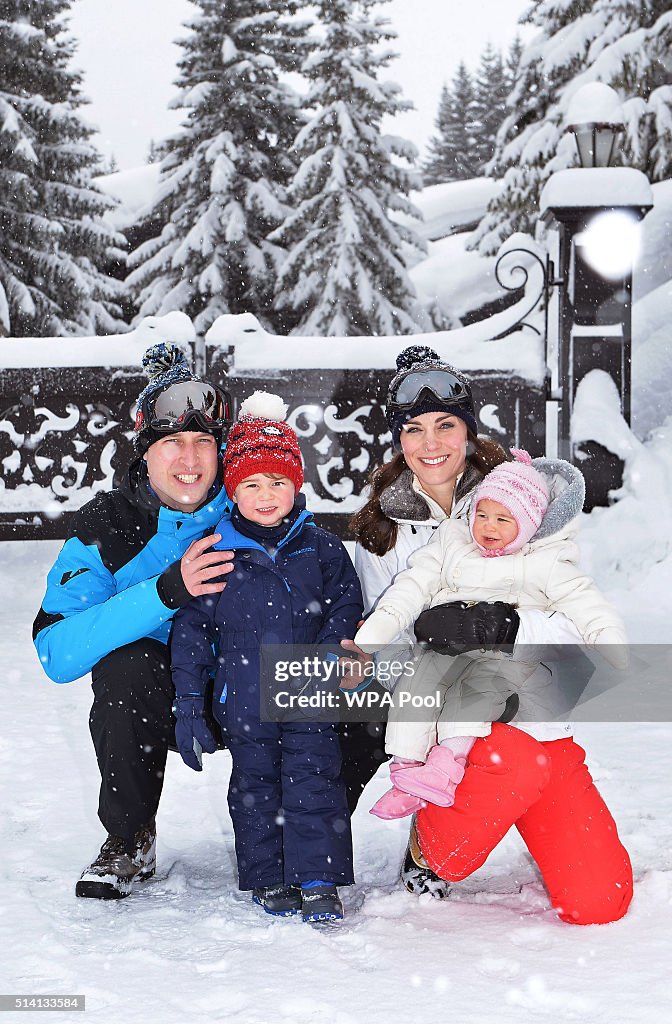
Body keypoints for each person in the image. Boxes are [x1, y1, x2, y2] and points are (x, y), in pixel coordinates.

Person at [341, 345, 633, 924]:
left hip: (536, 711)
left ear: (469, 431)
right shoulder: (382, 532)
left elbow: (577, 618)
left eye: (446, 426)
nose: (431, 444)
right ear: (398, 440)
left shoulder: (524, 500)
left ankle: (507, 799)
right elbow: (382, 643)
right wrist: (427, 638)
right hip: (450, 716)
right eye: (414, 429)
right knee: (504, 764)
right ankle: (432, 840)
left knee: (601, 899)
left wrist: (510, 626)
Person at [33, 343, 235, 900]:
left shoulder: (255, 506)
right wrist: (167, 591)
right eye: (171, 442)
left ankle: (296, 834)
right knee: (126, 665)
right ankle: (129, 837)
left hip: (241, 692)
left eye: (203, 443)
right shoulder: (109, 523)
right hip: (161, 701)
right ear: (144, 454)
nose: (189, 459)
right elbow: (56, 651)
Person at [170, 392, 363, 923]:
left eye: (277, 482)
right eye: (251, 483)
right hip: (244, 698)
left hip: (308, 689)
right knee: (255, 787)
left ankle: (319, 879)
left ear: (295, 484)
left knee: (314, 780)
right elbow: (190, 631)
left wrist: (329, 651)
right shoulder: (215, 551)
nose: (265, 494)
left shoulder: (320, 546)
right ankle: (269, 875)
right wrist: (190, 702)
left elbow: (346, 601)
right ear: (233, 489)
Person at [354, 450, 628, 817]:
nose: (489, 526)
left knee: (471, 696)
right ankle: (407, 771)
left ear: (529, 525)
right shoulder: (453, 544)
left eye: (503, 519)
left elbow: (585, 605)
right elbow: (412, 584)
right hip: (443, 650)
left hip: (504, 665)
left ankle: (444, 766)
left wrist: (604, 635)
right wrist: (391, 624)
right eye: (482, 514)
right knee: (414, 692)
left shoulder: (545, 561)